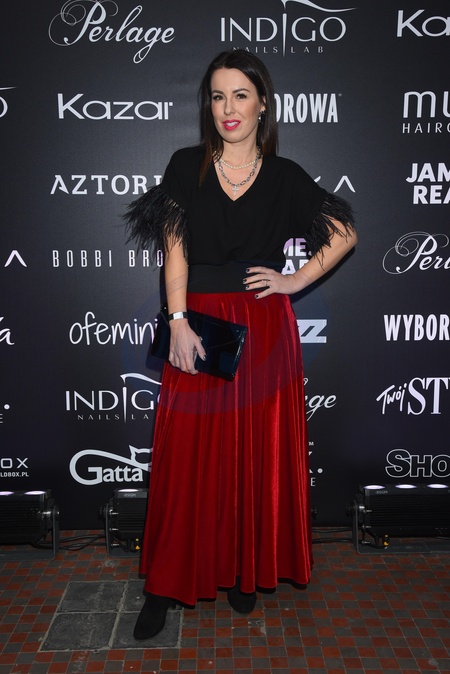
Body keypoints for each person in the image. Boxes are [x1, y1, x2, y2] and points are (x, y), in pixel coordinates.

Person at [125, 49, 357, 641]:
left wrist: (294, 281)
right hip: (200, 323)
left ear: (262, 105)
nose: (228, 108)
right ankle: (164, 585)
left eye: (240, 95)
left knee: (252, 453)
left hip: (263, 328)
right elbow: (174, 249)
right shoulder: (186, 166)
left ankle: (242, 569)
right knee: (186, 458)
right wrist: (177, 320)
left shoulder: (284, 176)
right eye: (218, 96)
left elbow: (344, 233)